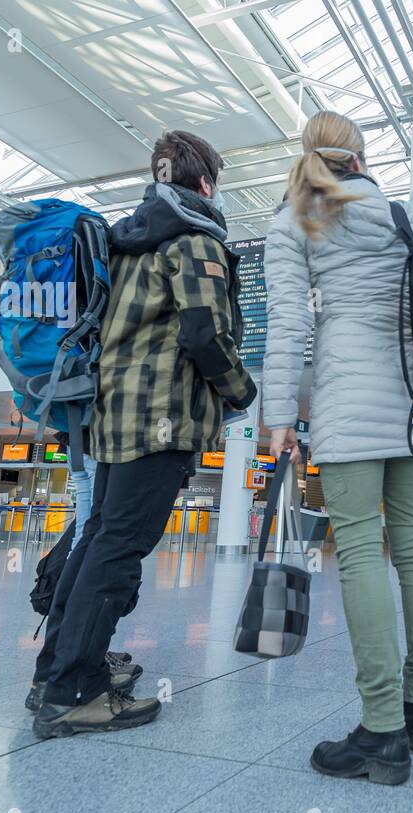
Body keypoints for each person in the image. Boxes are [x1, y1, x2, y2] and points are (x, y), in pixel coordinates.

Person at [30, 130, 256, 739]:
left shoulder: (125, 240)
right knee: (117, 547)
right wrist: (243, 392)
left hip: (113, 416)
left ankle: (53, 670)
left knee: (98, 536)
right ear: (206, 183)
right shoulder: (194, 238)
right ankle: (73, 691)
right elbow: (206, 333)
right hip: (162, 419)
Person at [264, 110, 413, 787]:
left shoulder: (294, 221)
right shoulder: (402, 214)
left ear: (307, 152)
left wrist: (279, 414)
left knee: (363, 552)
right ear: (360, 155)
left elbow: (288, 323)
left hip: (348, 403)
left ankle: (383, 730)